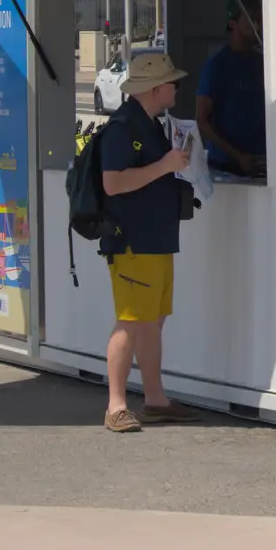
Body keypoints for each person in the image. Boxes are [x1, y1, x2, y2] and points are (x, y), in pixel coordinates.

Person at [99, 52, 199, 433]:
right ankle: (116, 405)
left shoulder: (149, 124)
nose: (176, 88)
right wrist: (166, 166)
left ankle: (155, 398)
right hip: (132, 241)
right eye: (172, 82)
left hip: (155, 238)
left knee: (152, 321)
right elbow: (113, 183)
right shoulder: (123, 127)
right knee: (131, 321)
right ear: (156, 88)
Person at [196, 0, 266, 177]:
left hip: (262, 163)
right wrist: (238, 156)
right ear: (233, 24)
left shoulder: (264, 63)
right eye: (251, 19)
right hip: (226, 167)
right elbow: (202, 120)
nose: (258, 25)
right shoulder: (218, 66)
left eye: (260, 18)